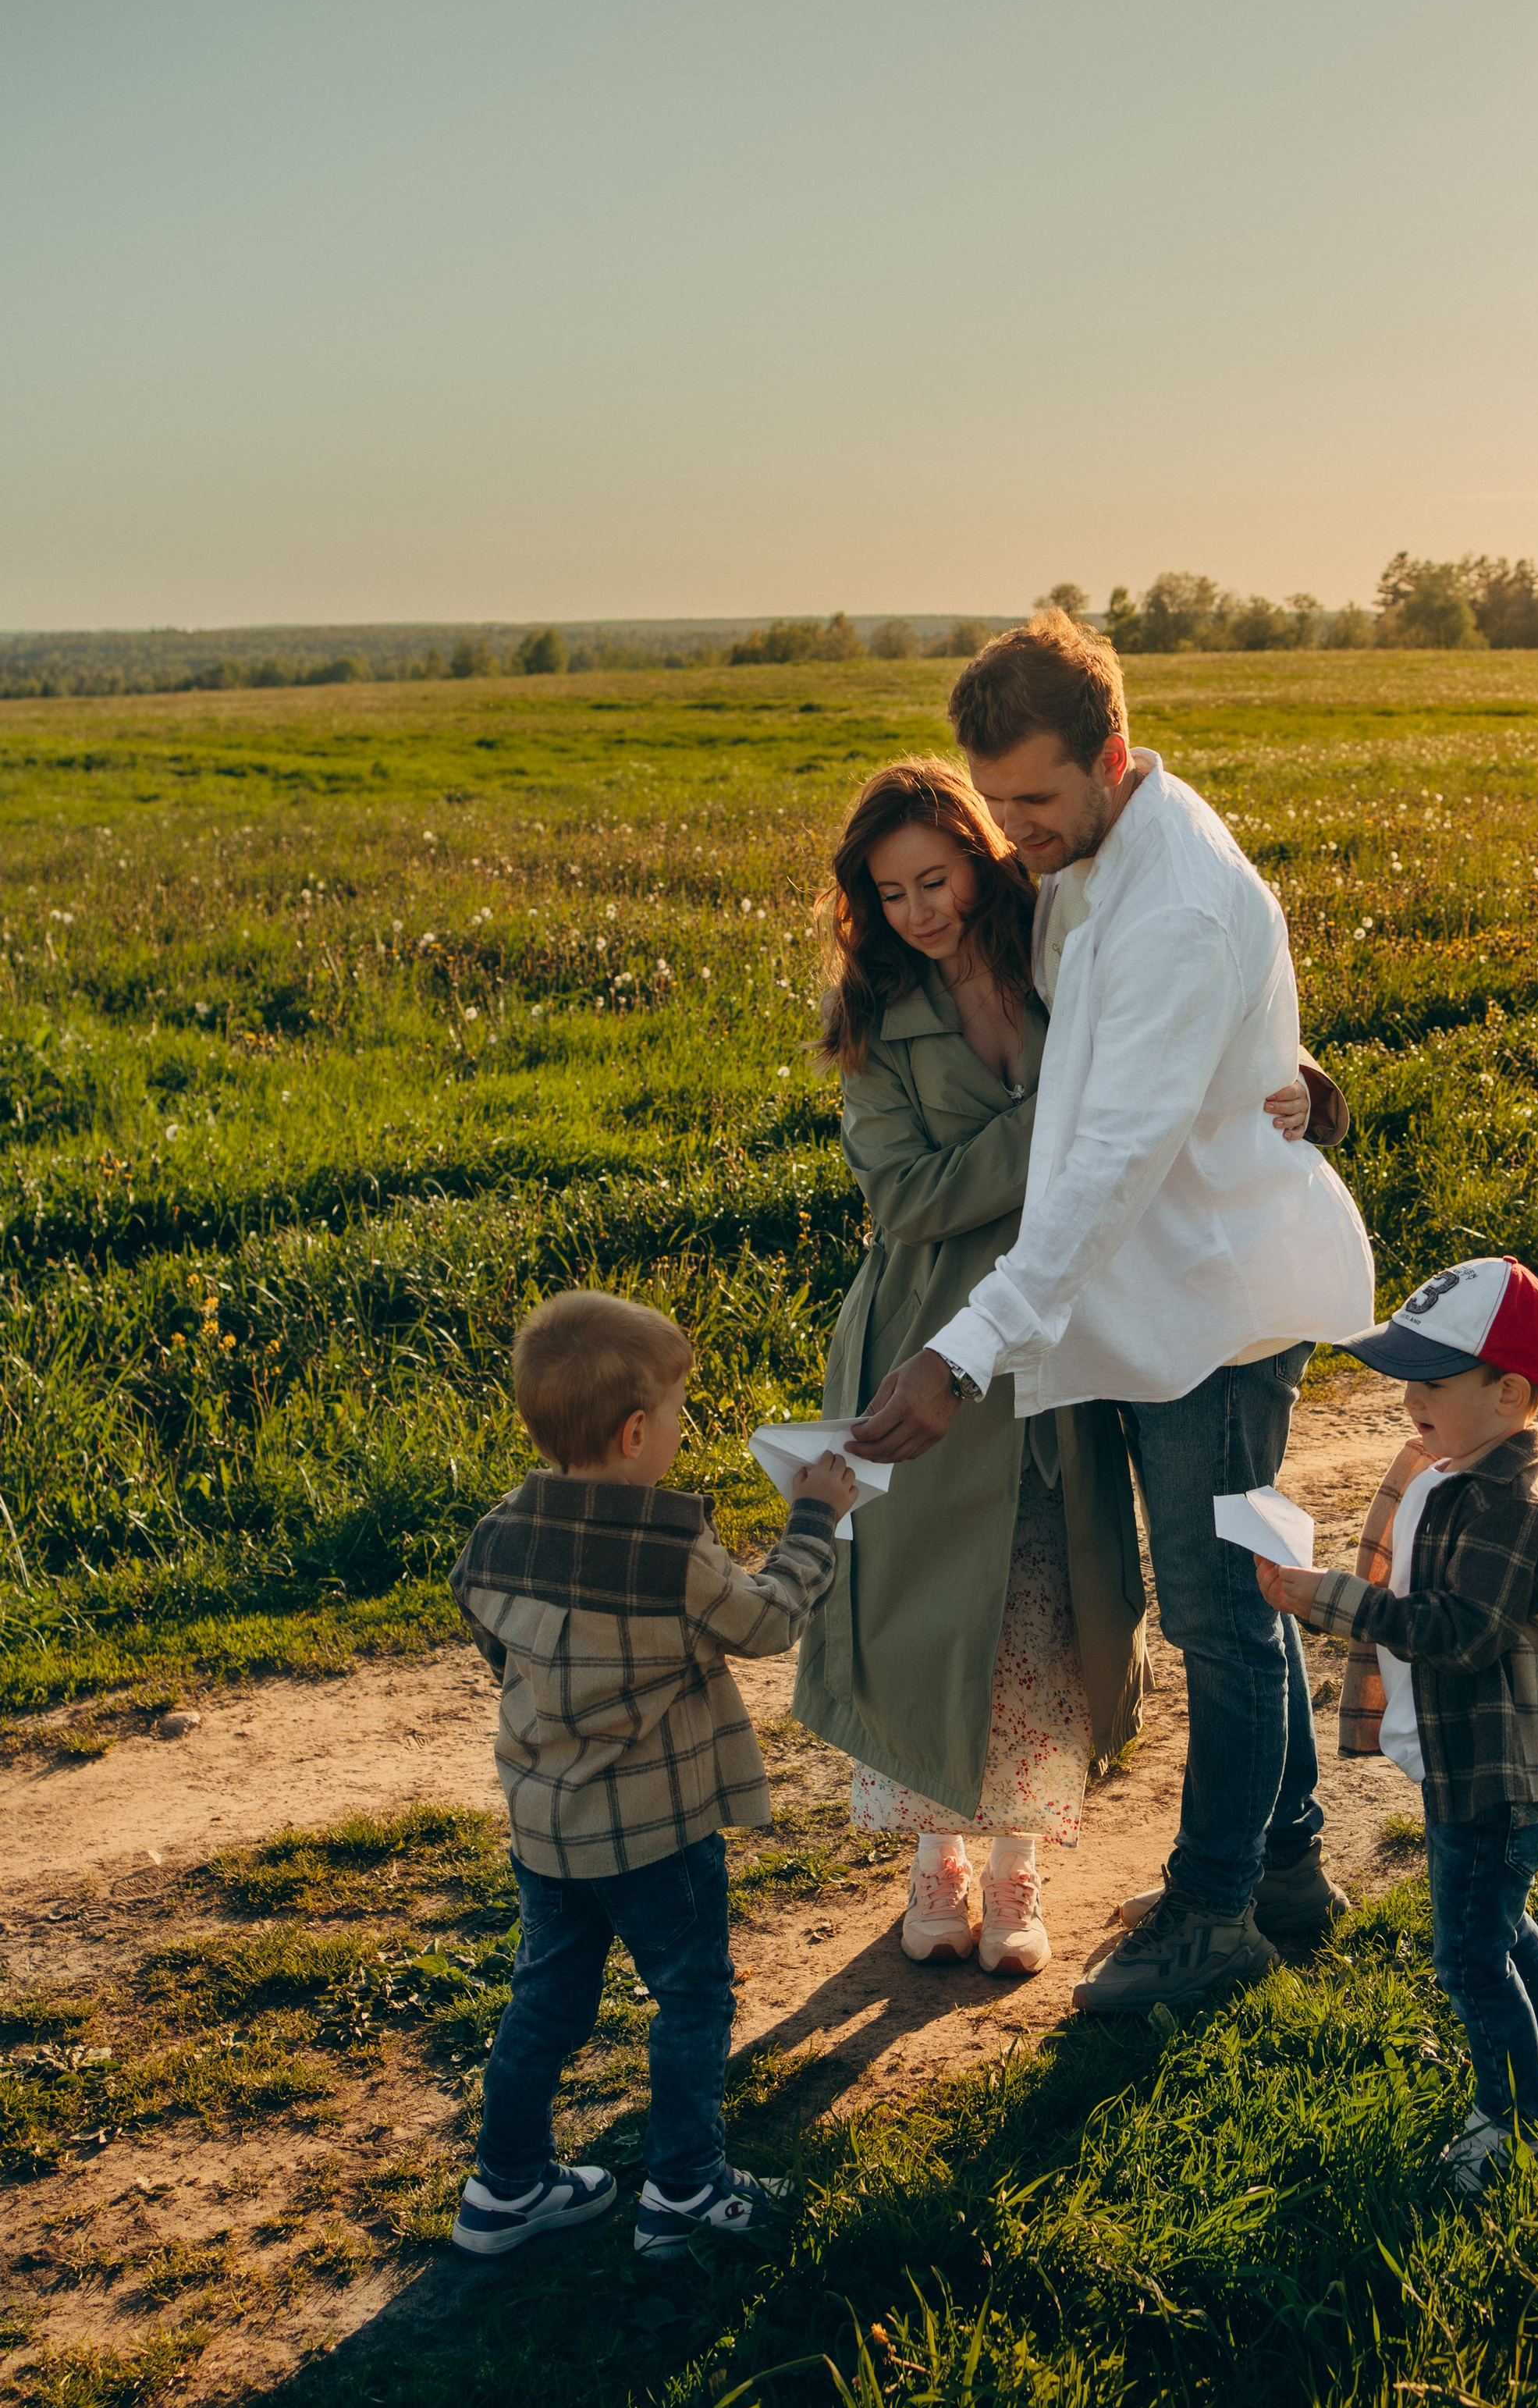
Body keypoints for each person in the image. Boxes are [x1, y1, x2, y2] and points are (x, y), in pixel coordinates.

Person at [849, 614, 1376, 2016]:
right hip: (1155, 1305)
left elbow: (1104, 1167)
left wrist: (960, 1357)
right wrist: (1273, 1055)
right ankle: (1285, 1868)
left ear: (1113, 758)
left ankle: (1210, 1919)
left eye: (1031, 798)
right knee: (1235, 1600)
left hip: (1210, 1309)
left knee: (1220, 1615)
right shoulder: (1095, 856)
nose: (1009, 829)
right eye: (996, 799)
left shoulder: (1172, 898)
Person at [446, 1288, 855, 2262]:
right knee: (692, 1996)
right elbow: (763, 1624)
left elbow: (484, 1623)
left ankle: (503, 2187)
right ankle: (684, 2189)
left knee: (546, 1998)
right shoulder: (668, 1551)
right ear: (637, 1432)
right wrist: (814, 1522)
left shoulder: (500, 1530)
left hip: (547, 1829)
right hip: (657, 1834)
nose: (682, 1429)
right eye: (678, 1414)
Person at [1253, 1255, 1538, 2199]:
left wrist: (1334, 1600)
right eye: (1404, 1375)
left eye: (1431, 1380)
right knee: (1492, 1919)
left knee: (1466, 1952)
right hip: (1480, 1766)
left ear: (1507, 1393)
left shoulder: (1507, 1505)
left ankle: (1512, 2119)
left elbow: (1459, 1634)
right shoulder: (1460, 1472)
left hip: (1500, 1773)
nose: (1408, 1397)